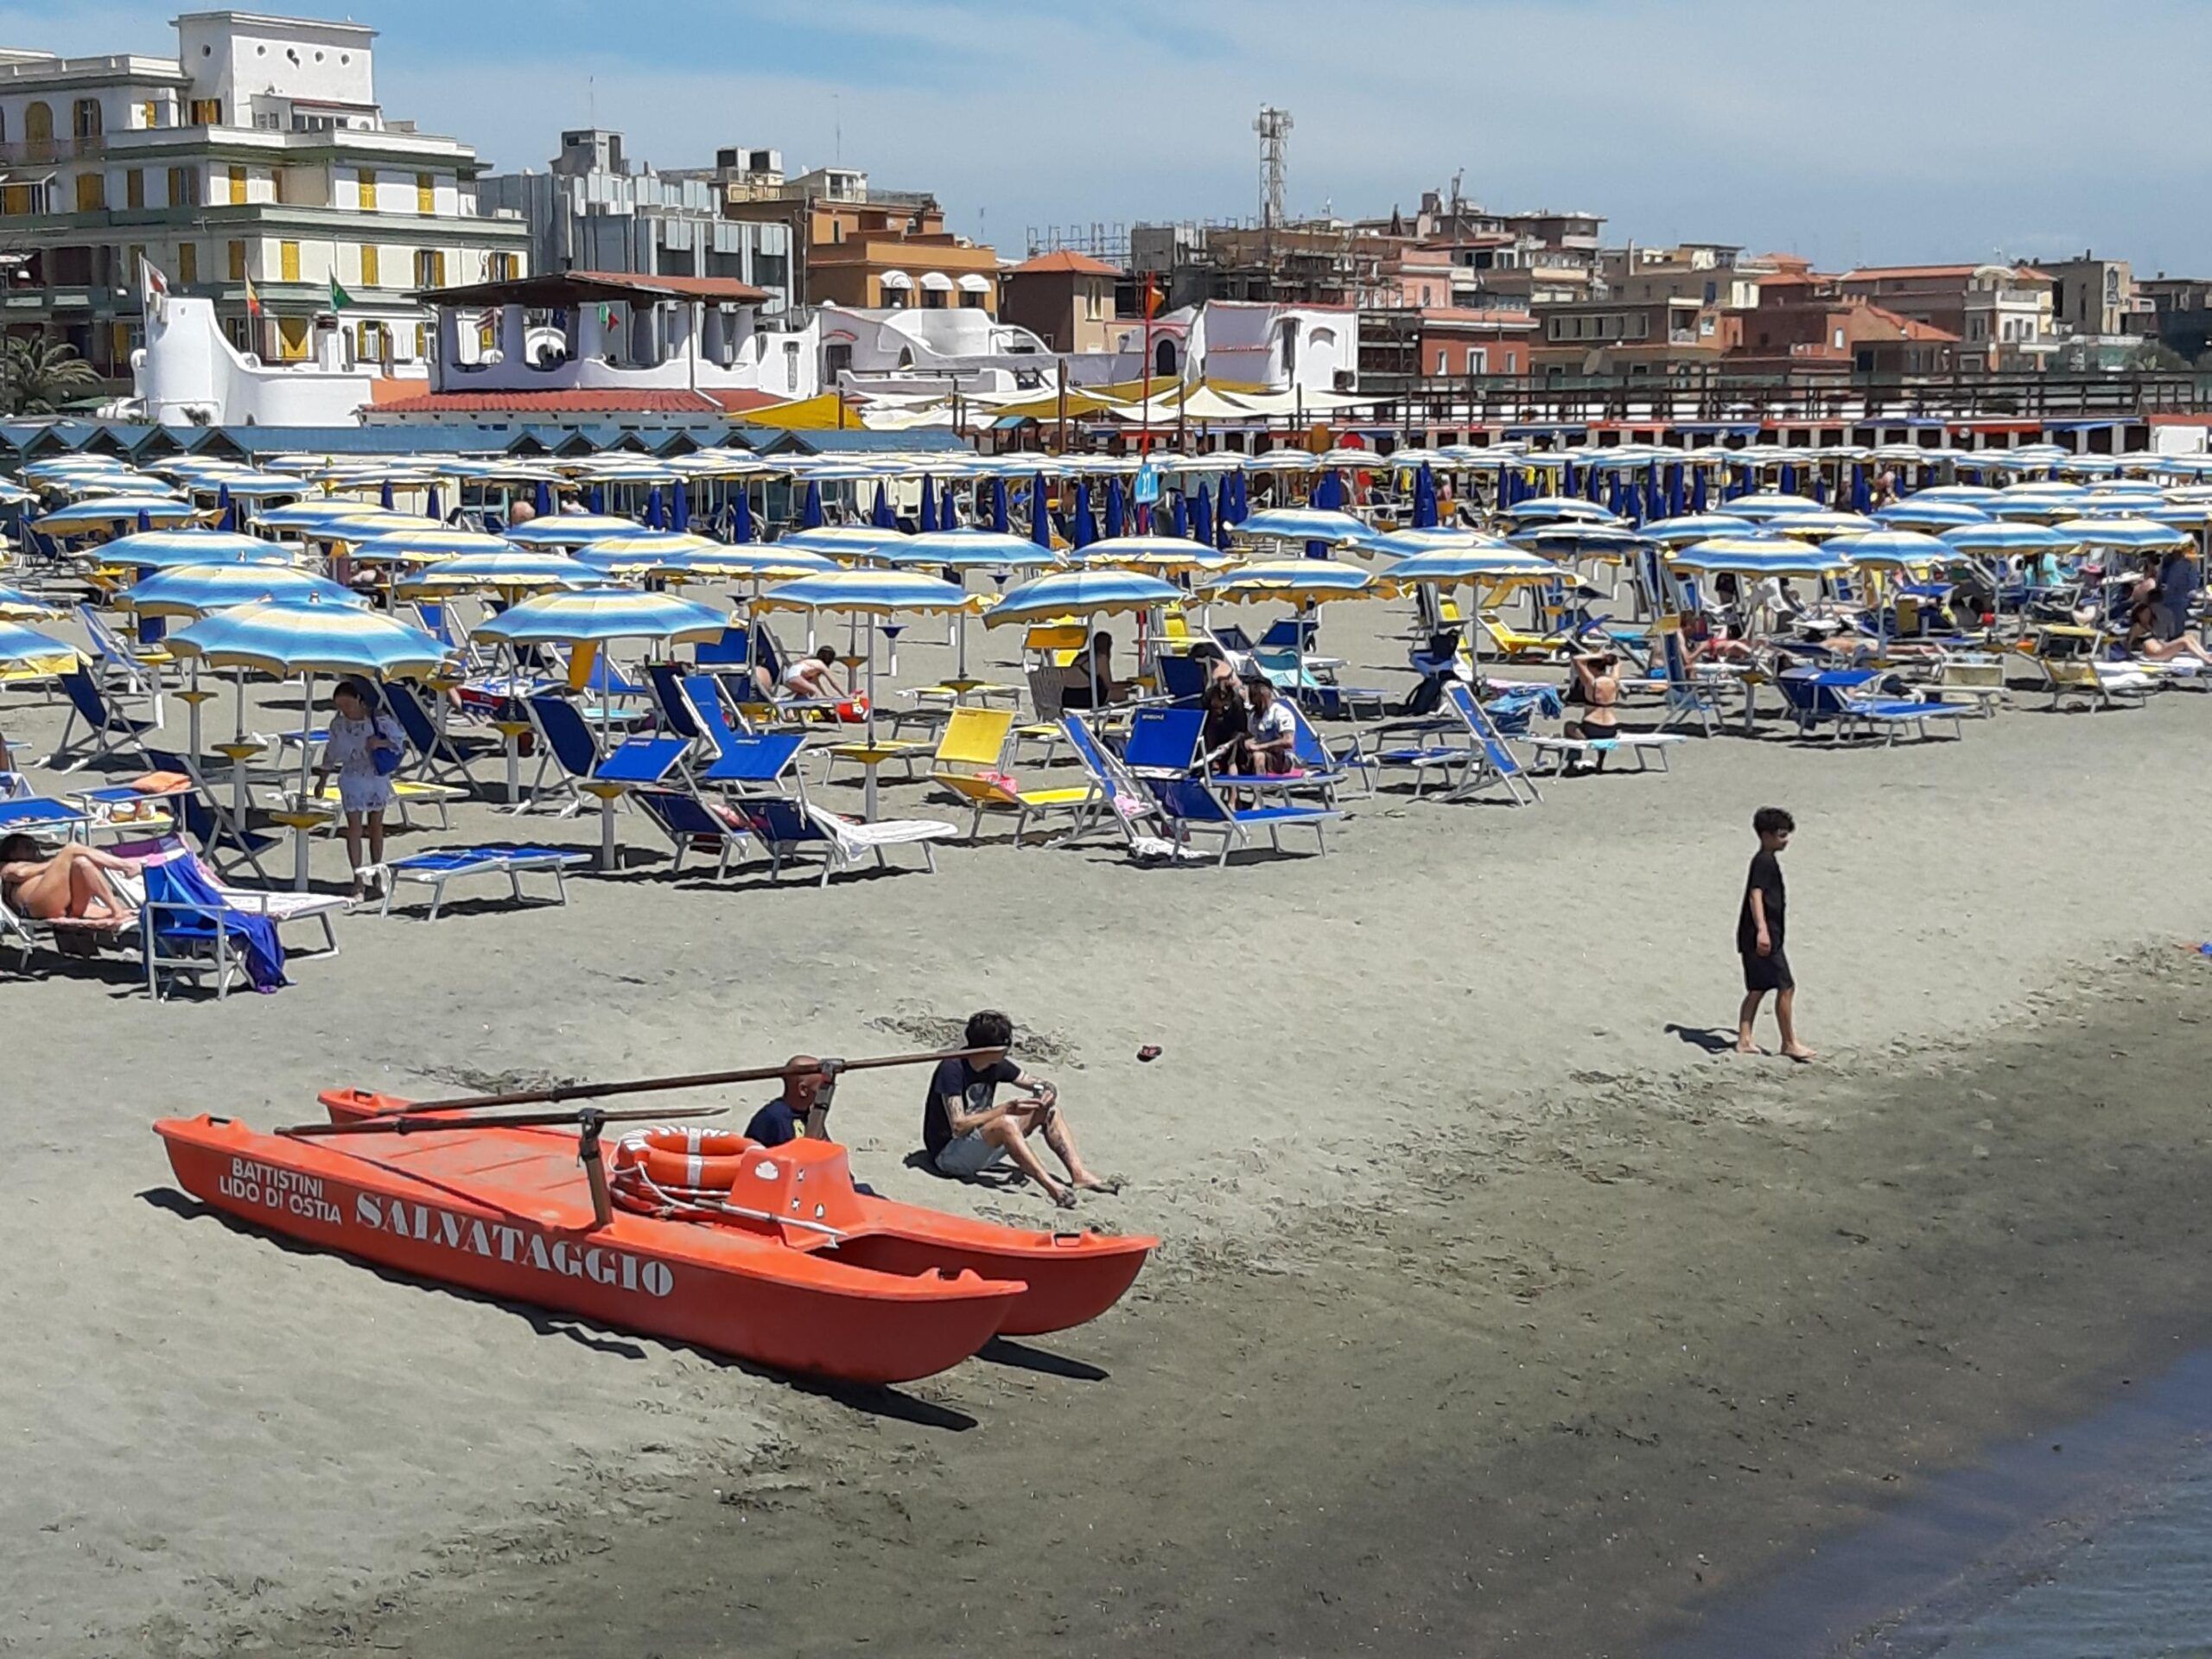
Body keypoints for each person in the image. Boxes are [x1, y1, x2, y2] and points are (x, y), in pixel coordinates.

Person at [923, 1009, 1113, 1208]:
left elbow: (1033, 1082)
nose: (1008, 1050)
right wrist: (1006, 1108)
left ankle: (1079, 1174)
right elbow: (959, 1125)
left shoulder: (995, 1064)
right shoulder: (952, 1069)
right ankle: (1053, 1188)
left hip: (980, 1143)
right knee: (1006, 1123)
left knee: (1048, 1112)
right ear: (990, 1049)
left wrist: (1047, 1091)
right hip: (949, 1155)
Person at [311, 676, 404, 901]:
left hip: (375, 775)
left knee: (376, 826)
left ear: (359, 700)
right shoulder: (339, 724)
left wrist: (379, 743)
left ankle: (377, 871)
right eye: (340, 706)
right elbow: (331, 753)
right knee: (354, 827)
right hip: (352, 776)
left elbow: (400, 743)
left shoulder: (378, 719)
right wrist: (322, 779)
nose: (344, 710)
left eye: (348, 705)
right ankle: (358, 879)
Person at [1736, 806, 1814, 1061]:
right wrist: (1762, 931)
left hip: (1758, 934)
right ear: (1766, 835)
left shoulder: (1765, 860)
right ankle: (1789, 1042)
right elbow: (1755, 894)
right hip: (1761, 935)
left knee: (1757, 987)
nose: (1786, 839)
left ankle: (1744, 1040)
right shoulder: (1764, 861)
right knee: (1786, 986)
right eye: (1781, 834)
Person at [0, 835, 140, 940]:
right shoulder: (7, 865)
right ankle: (126, 866)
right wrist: (58, 861)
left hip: (67, 905)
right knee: (71, 849)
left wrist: (60, 862)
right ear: (12, 853)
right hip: (35, 905)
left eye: (35, 846)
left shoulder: (44, 865)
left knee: (82, 863)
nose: (35, 850)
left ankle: (116, 910)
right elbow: (19, 873)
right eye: (27, 847)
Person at [745, 1054, 830, 1147]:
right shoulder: (770, 1119)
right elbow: (749, 1156)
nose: (824, 1092)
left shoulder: (810, 1115)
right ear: (803, 1090)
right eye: (821, 1087)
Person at [1243, 673, 1297, 774]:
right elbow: (1251, 736)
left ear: (1263, 695)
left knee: (1258, 756)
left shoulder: (1281, 713)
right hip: (1259, 752)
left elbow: (1288, 741)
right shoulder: (1253, 715)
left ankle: (1261, 787)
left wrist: (1260, 746)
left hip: (1281, 758)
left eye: (1253, 696)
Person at [1565, 649, 1621, 742]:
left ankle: (1572, 756)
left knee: (1569, 726)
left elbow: (1576, 659)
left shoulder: (1591, 683)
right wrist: (1606, 657)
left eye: (1588, 668)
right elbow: (1617, 661)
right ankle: (1600, 757)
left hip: (1592, 727)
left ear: (1593, 668)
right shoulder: (1614, 681)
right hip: (1611, 728)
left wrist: (1599, 656)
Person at [755, 645, 844, 704]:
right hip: (794, 676)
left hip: (787, 677)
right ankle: (782, 702)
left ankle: (790, 710)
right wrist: (844, 695)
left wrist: (826, 694)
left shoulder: (813, 664)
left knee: (806, 691)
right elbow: (833, 682)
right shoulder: (820, 664)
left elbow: (817, 683)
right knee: (814, 691)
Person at [1058, 632, 1122, 710]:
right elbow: (1108, 685)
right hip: (1087, 698)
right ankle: (1113, 719)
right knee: (1122, 694)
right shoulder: (1101, 658)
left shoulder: (1081, 657)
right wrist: (1130, 685)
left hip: (1067, 697)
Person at [1199, 676, 1249, 773]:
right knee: (1205, 758)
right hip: (1212, 733)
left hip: (1231, 736)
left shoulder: (1236, 701)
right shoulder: (1210, 694)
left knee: (1231, 762)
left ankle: (1233, 787)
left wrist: (1228, 745)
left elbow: (1241, 731)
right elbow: (1204, 714)